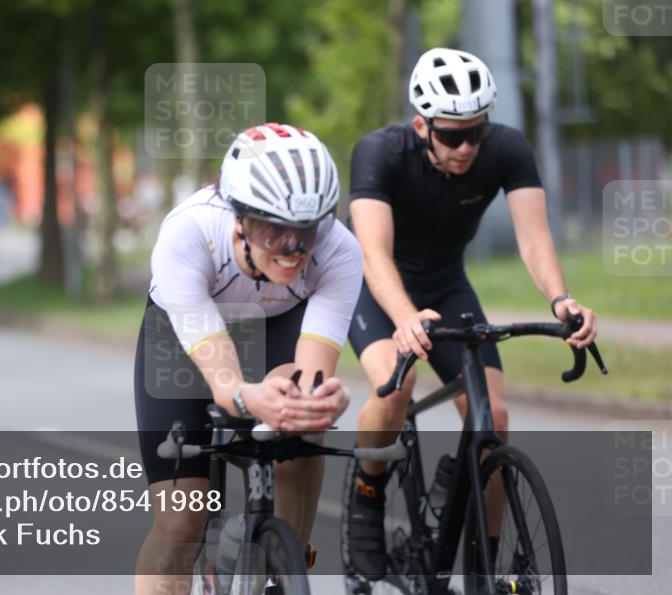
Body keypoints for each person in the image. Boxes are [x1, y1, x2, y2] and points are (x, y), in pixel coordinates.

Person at [345, 48, 599, 580]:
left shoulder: (506, 148)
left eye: (476, 133)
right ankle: (367, 494)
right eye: (451, 135)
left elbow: (534, 238)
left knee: (494, 420)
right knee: (395, 387)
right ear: (421, 125)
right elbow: (373, 255)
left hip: (447, 284)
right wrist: (406, 317)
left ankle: (482, 562)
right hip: (376, 288)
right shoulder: (380, 153)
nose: (466, 148)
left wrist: (561, 299)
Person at [134, 123, 363, 593]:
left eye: (308, 229)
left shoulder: (339, 251)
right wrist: (245, 395)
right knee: (181, 526)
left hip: (278, 325)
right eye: (274, 230)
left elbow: (312, 371)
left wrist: (316, 398)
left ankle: (283, 565)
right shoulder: (190, 232)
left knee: (302, 414)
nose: (293, 249)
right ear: (238, 218)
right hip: (185, 338)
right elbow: (226, 384)